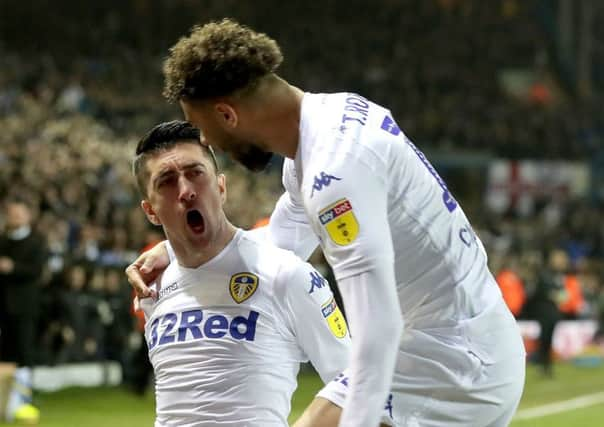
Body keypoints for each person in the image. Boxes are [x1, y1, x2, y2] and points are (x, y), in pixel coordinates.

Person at [127, 20, 526, 427]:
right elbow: (281, 241)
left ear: (227, 114)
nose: (209, 143)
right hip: (460, 338)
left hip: (456, 362)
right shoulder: (330, 124)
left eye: (205, 130)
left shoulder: (333, 176)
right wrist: (174, 250)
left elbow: (377, 329)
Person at [131, 121, 369, 427]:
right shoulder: (154, 285)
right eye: (166, 181)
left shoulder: (286, 275)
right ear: (151, 211)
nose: (186, 191)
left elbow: (359, 384)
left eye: (195, 173)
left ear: (221, 187)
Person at [0, 199, 47, 423]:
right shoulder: (2, 241)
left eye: (19, 214)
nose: (15, 218)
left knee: (24, 354)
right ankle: (6, 404)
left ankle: (24, 401)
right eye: (12, 214)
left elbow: (37, 271)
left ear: (27, 217)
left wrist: (13, 268)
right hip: (3, 308)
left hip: (24, 308)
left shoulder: (36, 242)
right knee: (5, 355)